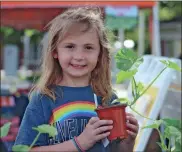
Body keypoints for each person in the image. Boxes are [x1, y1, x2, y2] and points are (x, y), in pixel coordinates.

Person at [14, 7, 139, 152]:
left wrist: (128, 142)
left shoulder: (107, 99)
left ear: (100, 54)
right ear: (55, 51)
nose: (79, 56)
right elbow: (23, 150)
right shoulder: (44, 98)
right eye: (70, 46)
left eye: (88, 47)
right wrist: (79, 144)